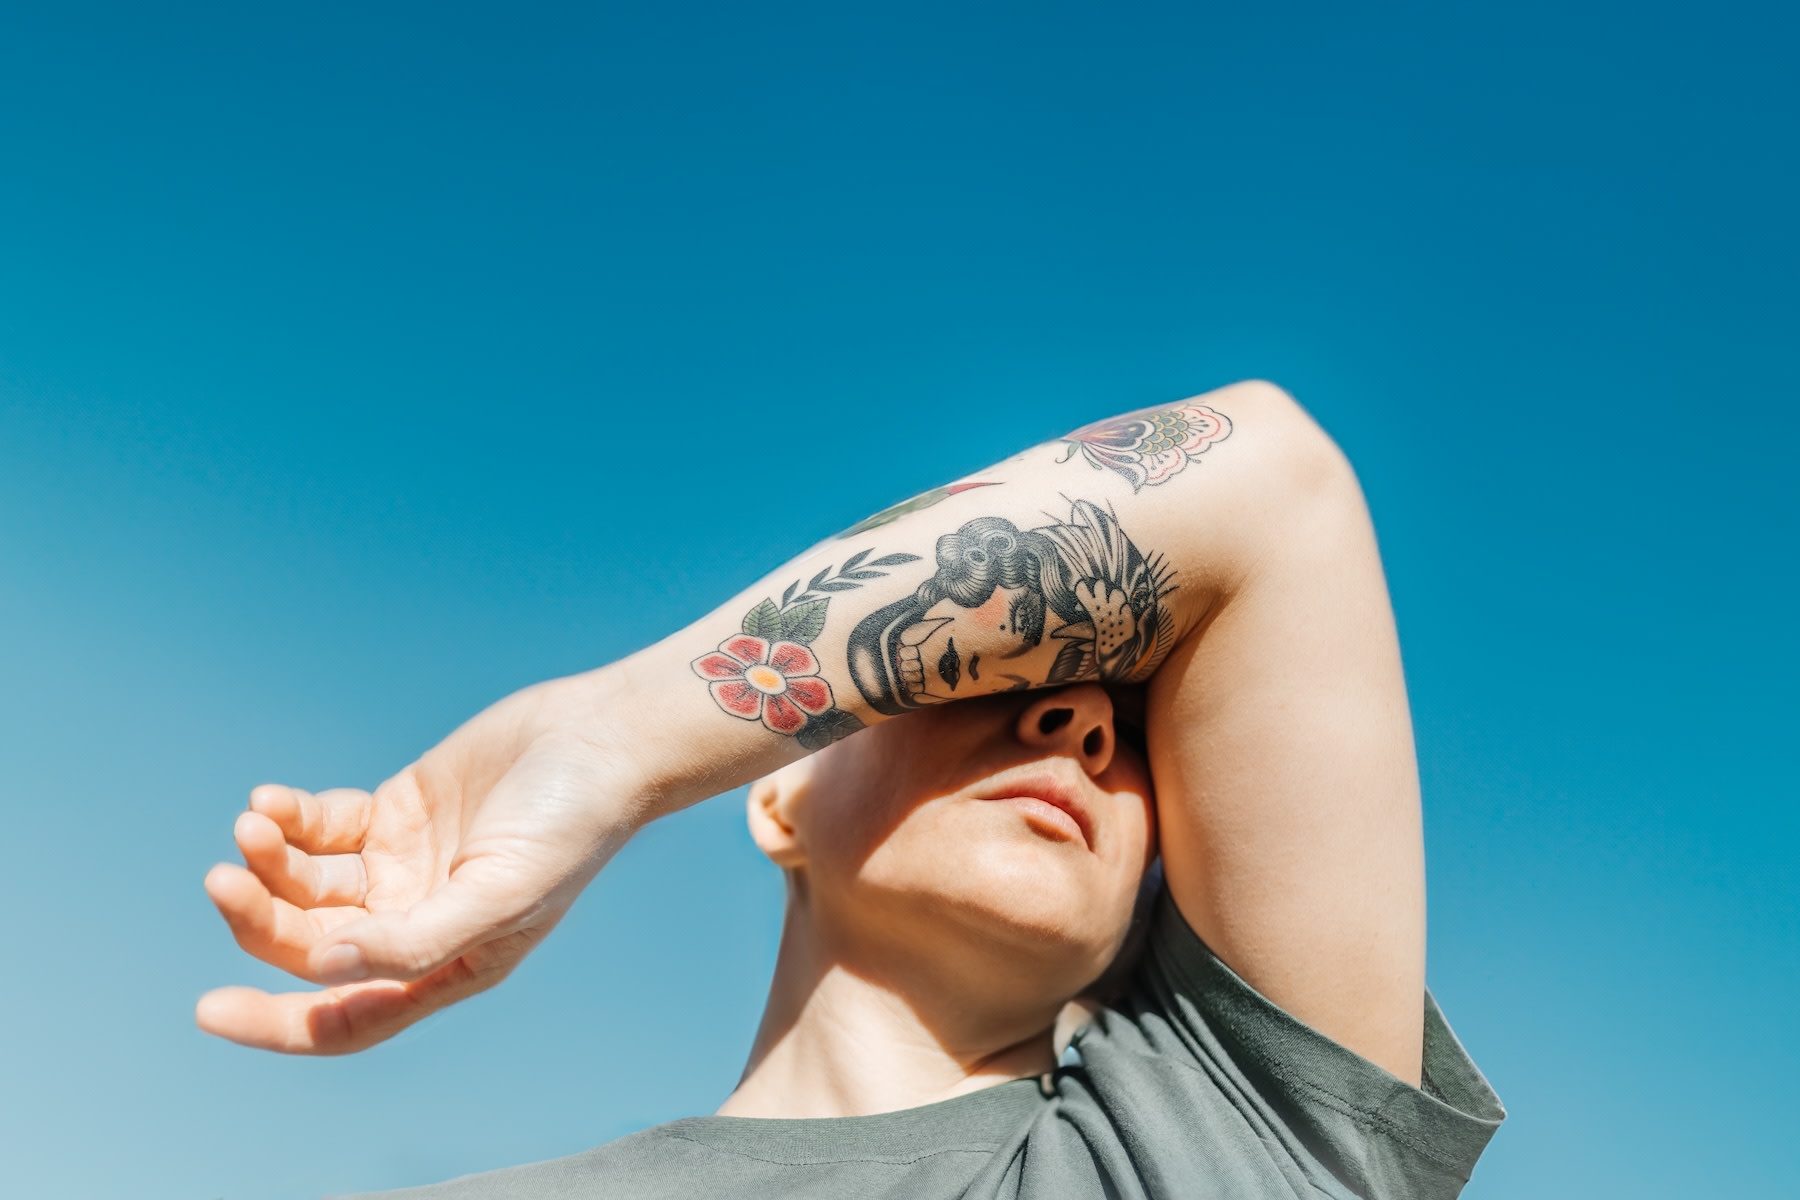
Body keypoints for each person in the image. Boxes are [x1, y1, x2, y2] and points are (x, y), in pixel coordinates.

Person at [197, 380, 1505, 1198]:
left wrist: (617, 739)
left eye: (1135, 725)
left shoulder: (1225, 1154)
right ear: (772, 799)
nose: (1074, 721)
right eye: (979, 673)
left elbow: (1269, 486)